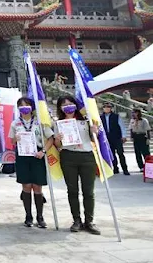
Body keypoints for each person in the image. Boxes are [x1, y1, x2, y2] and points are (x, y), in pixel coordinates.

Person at [54, 96, 100, 235]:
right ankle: (76, 220)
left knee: (88, 191)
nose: (68, 106)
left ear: (75, 104)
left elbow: (96, 139)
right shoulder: (58, 123)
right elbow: (58, 145)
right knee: (72, 190)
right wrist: (58, 140)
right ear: (60, 108)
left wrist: (95, 131)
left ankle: (89, 221)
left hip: (87, 156)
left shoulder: (86, 121)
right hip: (68, 157)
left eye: (70, 103)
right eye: (64, 104)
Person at [9, 97, 54, 228]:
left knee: (37, 187)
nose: (24, 108)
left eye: (27, 105)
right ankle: (28, 216)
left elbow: (50, 138)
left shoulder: (40, 122)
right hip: (22, 157)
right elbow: (11, 141)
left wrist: (43, 151)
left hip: (37, 156)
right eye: (21, 106)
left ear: (32, 107)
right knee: (26, 186)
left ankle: (40, 217)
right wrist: (15, 139)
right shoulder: (15, 123)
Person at [100, 102, 129, 175]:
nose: (107, 108)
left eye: (108, 107)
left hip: (117, 137)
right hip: (107, 138)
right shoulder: (101, 117)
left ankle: (125, 169)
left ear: (111, 108)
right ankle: (115, 168)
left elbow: (122, 126)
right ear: (103, 108)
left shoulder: (116, 116)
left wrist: (124, 136)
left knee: (120, 153)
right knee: (112, 154)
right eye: (105, 107)